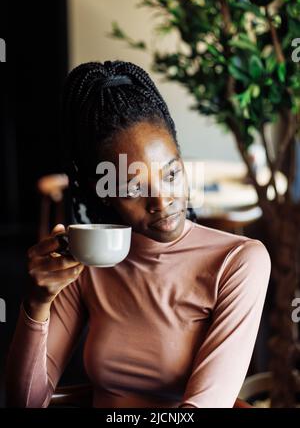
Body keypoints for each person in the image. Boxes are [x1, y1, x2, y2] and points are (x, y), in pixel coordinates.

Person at [5, 60, 271, 408]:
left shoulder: (238, 262)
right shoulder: (85, 261)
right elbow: (24, 402)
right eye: (132, 188)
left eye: (172, 174)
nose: (163, 201)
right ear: (101, 190)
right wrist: (36, 302)